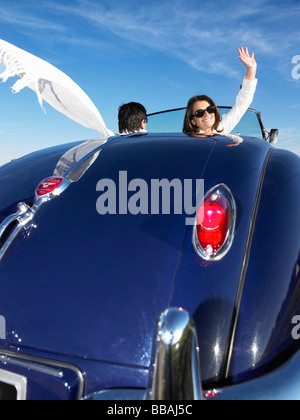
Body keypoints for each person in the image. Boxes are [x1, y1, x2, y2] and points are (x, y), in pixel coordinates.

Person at [183, 47, 257, 136]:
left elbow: (242, 104)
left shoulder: (222, 129)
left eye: (210, 109)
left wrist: (251, 70)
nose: (206, 114)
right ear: (193, 121)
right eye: (200, 113)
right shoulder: (187, 141)